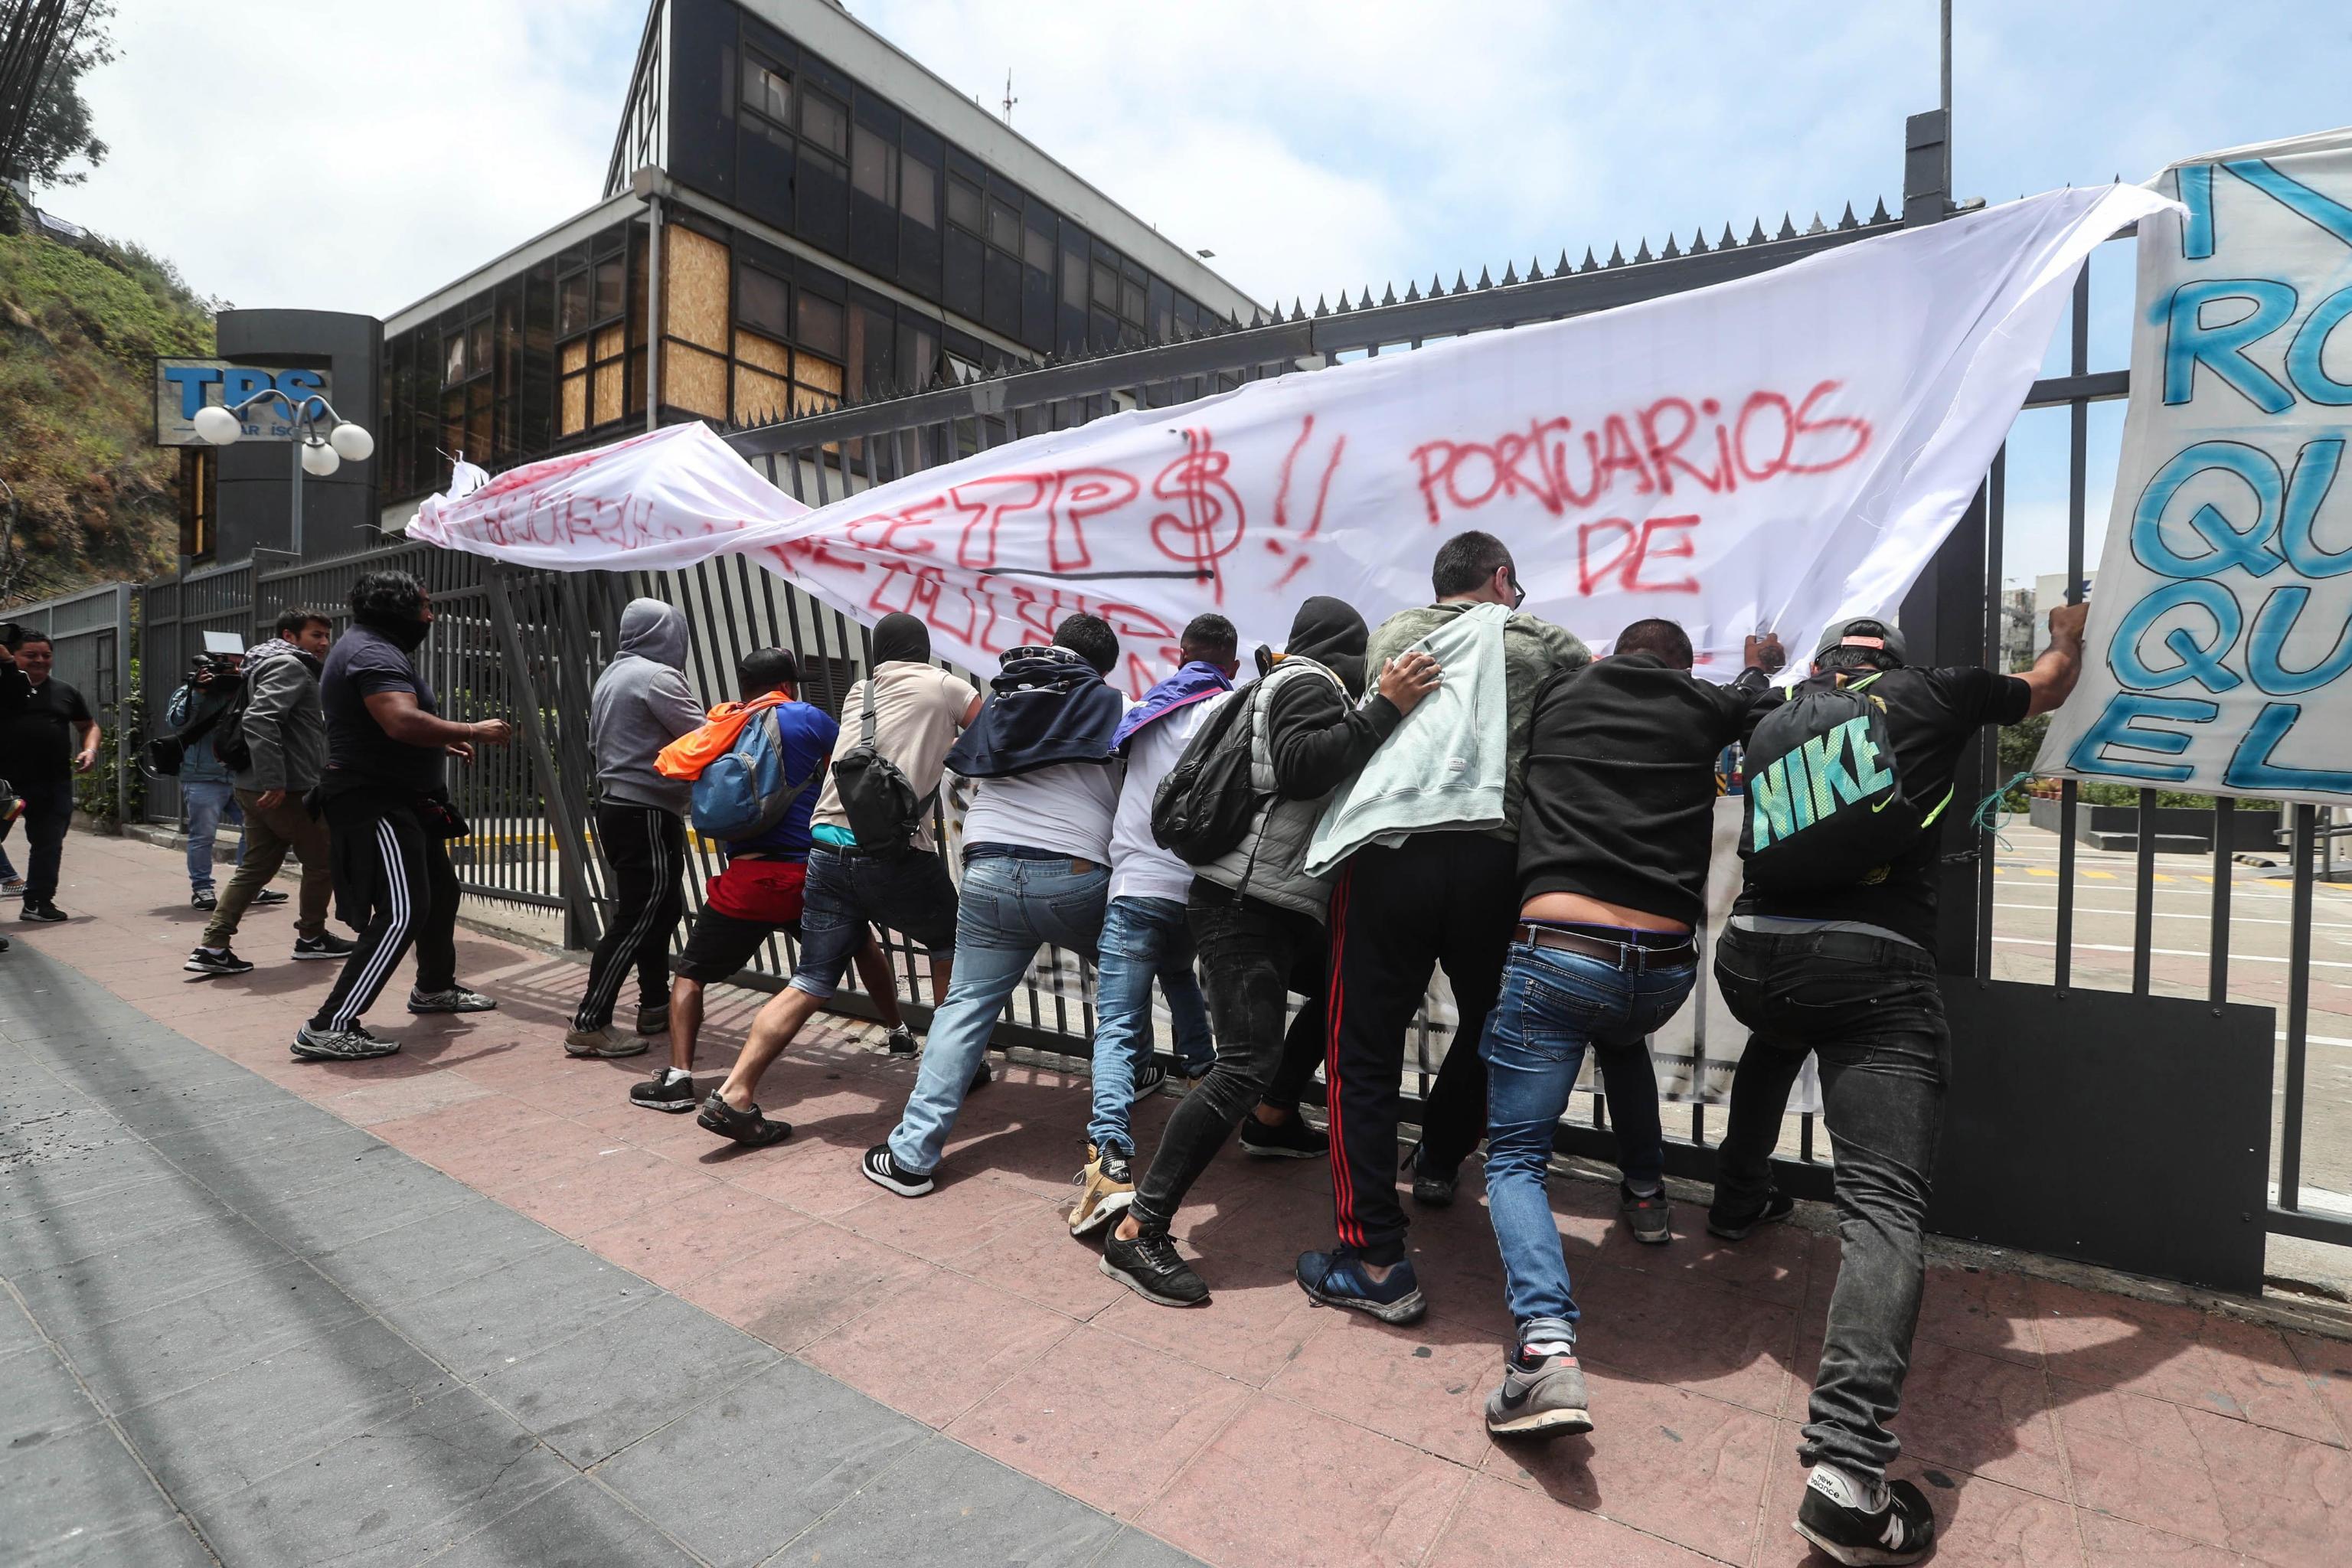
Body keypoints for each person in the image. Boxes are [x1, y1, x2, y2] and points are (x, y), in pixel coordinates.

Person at [1707, 606, 2086, 1565]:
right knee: (1883, 1206)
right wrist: (2069, 637)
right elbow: (2044, 687)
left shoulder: (1774, 718)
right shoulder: (1936, 691)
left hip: (1752, 957)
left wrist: (1761, 664)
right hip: (1871, 963)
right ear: (1891, 662)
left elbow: (1744, 705)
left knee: (1780, 1036)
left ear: (1829, 661)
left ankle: (1736, 1195)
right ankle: (1846, 1469)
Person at [1478, 619, 1784, 1438]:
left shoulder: (1559, 692)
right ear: (1683, 667)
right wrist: (1758, 666)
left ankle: (1545, 1349)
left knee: (1514, 1157)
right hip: (1659, 968)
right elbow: (1756, 697)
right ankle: (1648, 1198)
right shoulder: (1704, 704)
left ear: (1614, 653)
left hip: (1557, 950)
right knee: (1622, 1042)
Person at [1102, 598, 1439, 1308]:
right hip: (1242, 906)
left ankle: (1275, 1119)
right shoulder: (1307, 683)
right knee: (1242, 1065)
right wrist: (1383, 707)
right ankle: (1140, 1229)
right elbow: (1303, 767)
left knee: (1346, 989)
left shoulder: (1289, 684)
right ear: (1349, 649)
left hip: (1274, 905)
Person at [1298, 531, 1587, 1325]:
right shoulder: (1543, 642)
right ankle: (1439, 1155)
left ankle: (1375, 1258)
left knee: (1360, 1048)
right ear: (1502, 578)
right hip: (1498, 854)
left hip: (1392, 849)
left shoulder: (1393, 635)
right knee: (1497, 1023)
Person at [852, 614, 1126, 1194]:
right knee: (1123, 999)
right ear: (1103, 669)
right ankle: (1114, 1149)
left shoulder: (1006, 702)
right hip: (1076, 873)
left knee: (965, 1007)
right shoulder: (1116, 707)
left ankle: (911, 1157)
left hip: (989, 871)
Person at [1070, 613, 1326, 1236]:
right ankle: (1197, 1071)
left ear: (1180, 654)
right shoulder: (1240, 708)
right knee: (1183, 977)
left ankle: (1110, 1154)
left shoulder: (1146, 711)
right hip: (1204, 889)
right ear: (1232, 665)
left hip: (1135, 886)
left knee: (1119, 1027)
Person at [685, 612, 975, 1136]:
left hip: (823, 850)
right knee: (950, 940)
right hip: (894, 854)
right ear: (925, 651)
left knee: (811, 979)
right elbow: (996, 733)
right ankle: (954, 1068)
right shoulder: (945, 684)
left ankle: (735, 1092)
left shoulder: (859, 692)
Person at [627, 648, 910, 1112]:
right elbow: (854, 761)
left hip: (747, 882)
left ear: (744, 687)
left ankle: (678, 1079)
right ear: (791, 685)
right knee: (860, 944)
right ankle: (899, 1033)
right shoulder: (806, 717)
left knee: (691, 975)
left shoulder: (720, 726)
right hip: (808, 877)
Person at [296, 572, 511, 1062]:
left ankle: (434, 988)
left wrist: (440, 740)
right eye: (424, 606)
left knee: (439, 893)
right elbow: (399, 719)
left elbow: (392, 726)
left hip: (401, 796)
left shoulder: (369, 646)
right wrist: (472, 729)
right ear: (397, 609)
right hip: (376, 801)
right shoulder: (373, 653)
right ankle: (329, 1024)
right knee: (404, 911)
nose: (430, 616)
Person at [565, 599, 705, 1058]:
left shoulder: (613, 675)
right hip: (645, 810)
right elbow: (700, 737)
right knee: (638, 916)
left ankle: (654, 1003)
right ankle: (590, 1022)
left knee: (660, 910)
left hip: (622, 807)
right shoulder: (658, 677)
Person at [184, 608, 351, 976]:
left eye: (326, 635)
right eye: (316, 635)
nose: (324, 643)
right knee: (322, 862)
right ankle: (311, 937)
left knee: (256, 866)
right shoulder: (288, 666)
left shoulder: (261, 663)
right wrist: (274, 778)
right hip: (286, 789)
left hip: (254, 784)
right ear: (290, 636)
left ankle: (212, 946)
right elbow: (260, 719)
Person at [4, 632, 97, 923]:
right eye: (31, 655)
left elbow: (88, 725)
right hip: (4, 785)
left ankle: (38, 903)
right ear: (12, 656)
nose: (40, 661)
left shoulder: (64, 691)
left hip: (52, 781)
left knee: (49, 843)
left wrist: (90, 750)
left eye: (46, 655)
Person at [166, 648, 262, 911]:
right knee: (203, 836)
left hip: (239, 773)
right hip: (202, 776)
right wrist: (198, 692)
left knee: (255, 830)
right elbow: (176, 722)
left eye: (238, 665)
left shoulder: (245, 691)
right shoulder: (192, 689)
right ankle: (202, 889)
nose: (234, 670)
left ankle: (249, 884)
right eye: (227, 665)